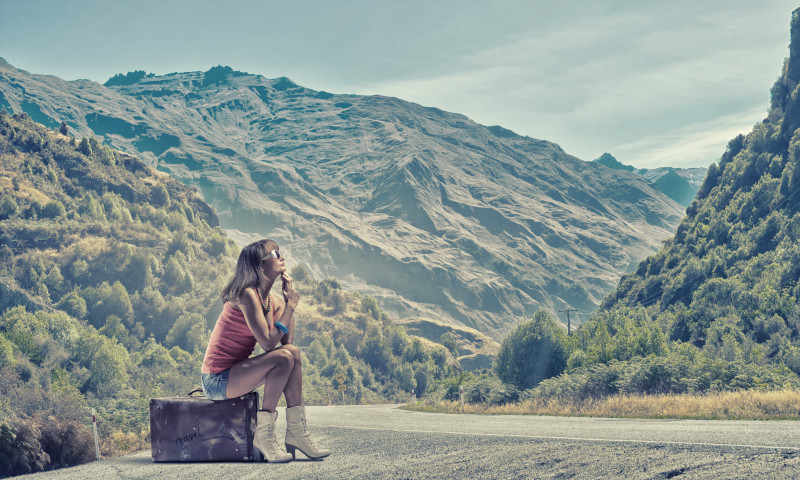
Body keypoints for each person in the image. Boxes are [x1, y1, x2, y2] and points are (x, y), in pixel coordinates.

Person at [200, 239, 331, 462]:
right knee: (283, 358)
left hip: (237, 374)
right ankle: (264, 435)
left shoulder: (271, 300)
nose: (281, 256)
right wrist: (290, 306)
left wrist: (287, 302)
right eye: (274, 254)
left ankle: (296, 432)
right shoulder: (246, 294)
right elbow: (269, 344)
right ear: (259, 266)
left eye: (280, 252)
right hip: (217, 379)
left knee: (293, 354)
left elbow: (287, 341)